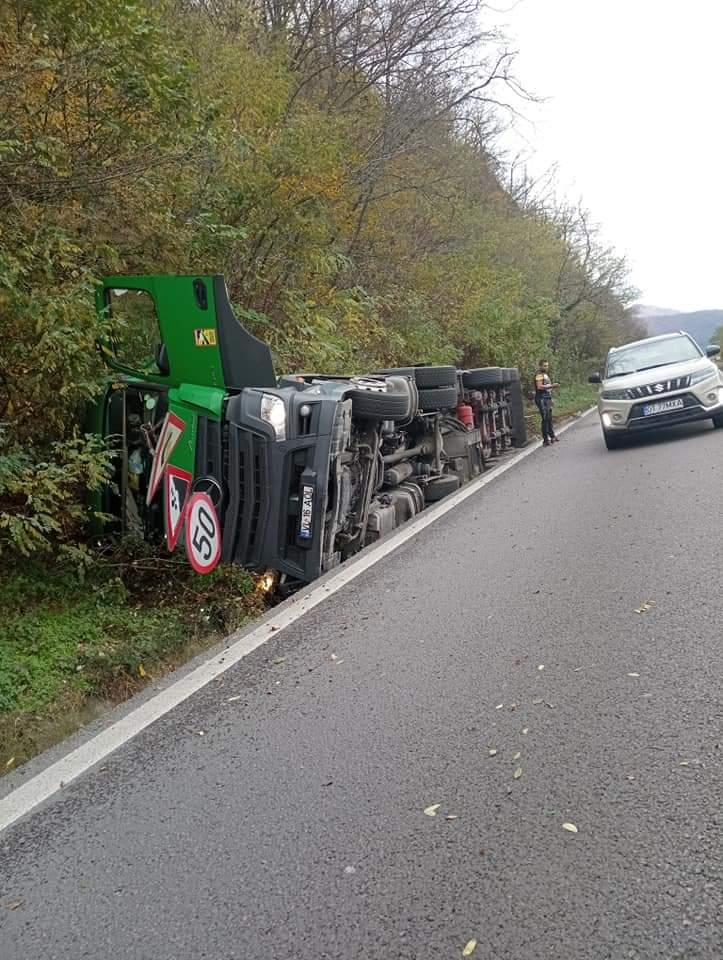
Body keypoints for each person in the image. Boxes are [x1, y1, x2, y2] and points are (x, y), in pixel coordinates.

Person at [534, 360, 560, 446]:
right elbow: (539, 386)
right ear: (540, 366)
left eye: (547, 365)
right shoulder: (539, 374)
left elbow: (548, 388)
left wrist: (551, 398)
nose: (546, 367)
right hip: (541, 398)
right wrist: (553, 385)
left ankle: (552, 436)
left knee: (549, 417)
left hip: (547, 398)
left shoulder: (545, 375)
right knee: (545, 418)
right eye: (544, 366)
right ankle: (545, 440)